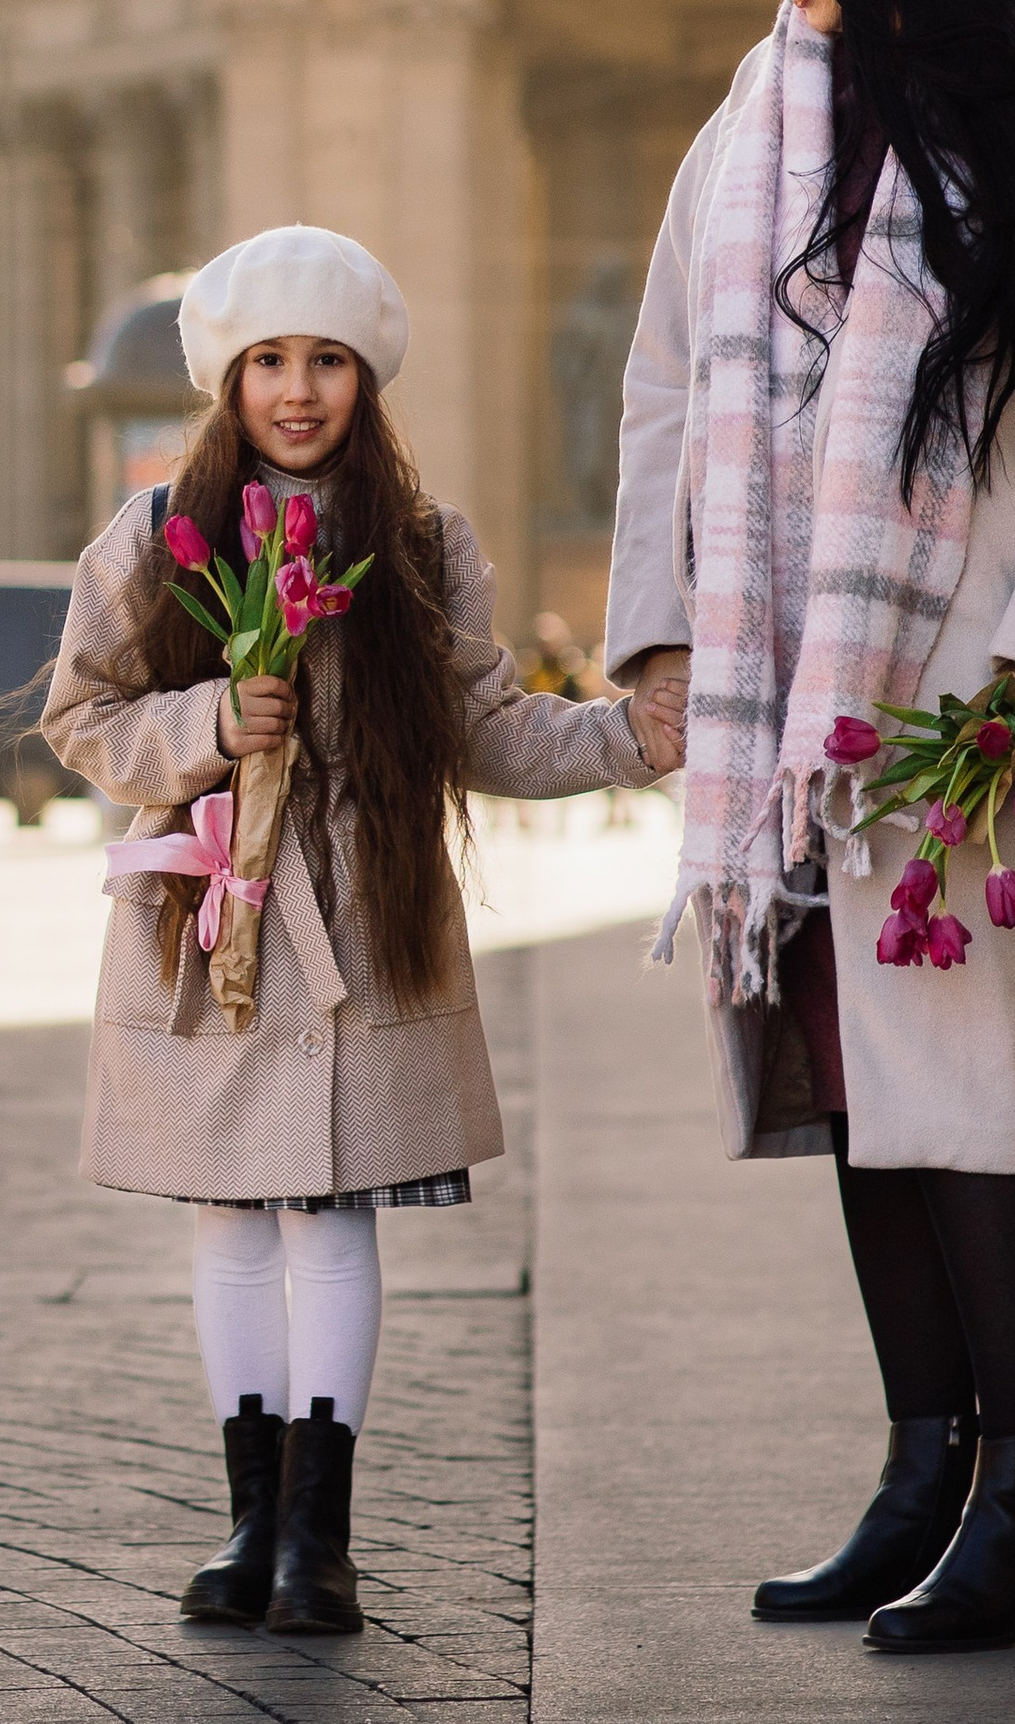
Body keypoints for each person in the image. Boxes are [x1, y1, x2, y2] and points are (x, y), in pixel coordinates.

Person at [608, 0, 1015, 1654]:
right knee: (873, 1094)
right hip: (791, 697)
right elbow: (667, 393)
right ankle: (925, 1473)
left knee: (984, 1095)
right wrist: (667, 637)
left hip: (970, 675)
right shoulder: (754, 109)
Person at [44, 224, 675, 1642]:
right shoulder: (157, 536)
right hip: (210, 919)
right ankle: (250, 1514)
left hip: (363, 913)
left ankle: (319, 1537)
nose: (298, 388)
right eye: (270, 359)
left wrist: (631, 740)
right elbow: (81, 719)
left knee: (329, 1210)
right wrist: (208, 721)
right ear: (229, 378)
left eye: (327, 359)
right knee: (227, 1212)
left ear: (366, 377)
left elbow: (484, 726)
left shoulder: (424, 542)